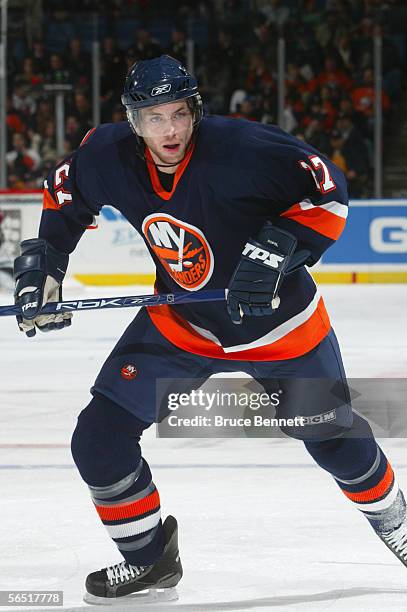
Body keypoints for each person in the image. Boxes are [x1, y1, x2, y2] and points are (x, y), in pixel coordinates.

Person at [13, 55, 407, 604]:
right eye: (154, 117)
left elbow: (328, 190)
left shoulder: (243, 148)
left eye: (179, 113)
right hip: (181, 325)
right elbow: (64, 197)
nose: (169, 130)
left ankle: (396, 523)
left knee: (329, 437)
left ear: (195, 109)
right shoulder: (106, 154)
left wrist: (282, 246)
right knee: (98, 441)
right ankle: (150, 560)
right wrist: (46, 265)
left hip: (282, 329)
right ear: (132, 120)